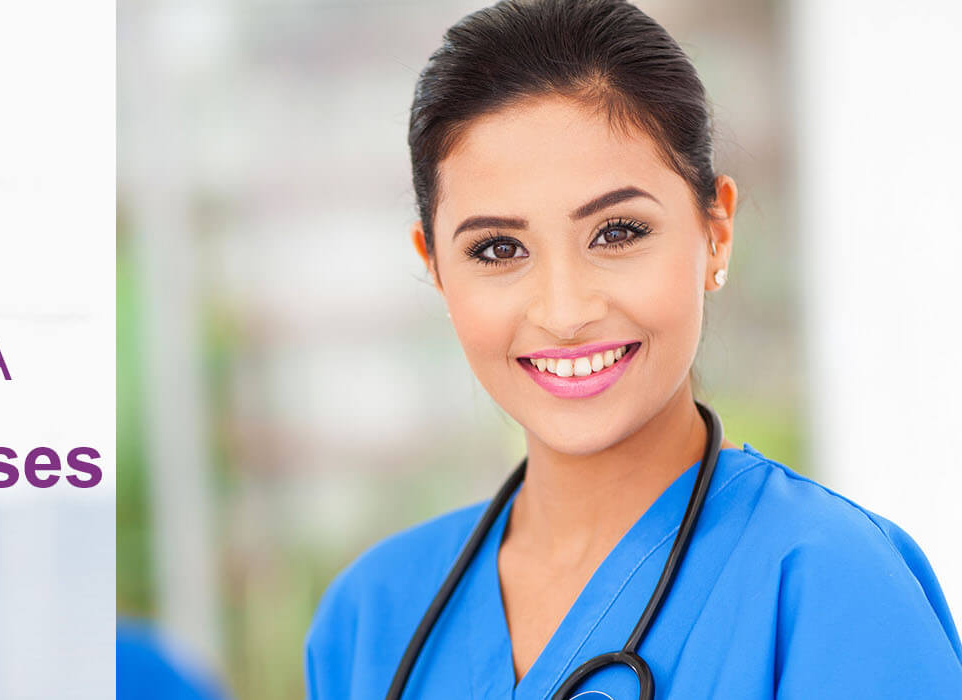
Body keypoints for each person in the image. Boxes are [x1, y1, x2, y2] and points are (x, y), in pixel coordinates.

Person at [303, 0, 962, 698]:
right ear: (435, 266)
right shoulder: (371, 622)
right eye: (499, 249)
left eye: (617, 232)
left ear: (717, 231)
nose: (564, 313)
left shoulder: (831, 586)